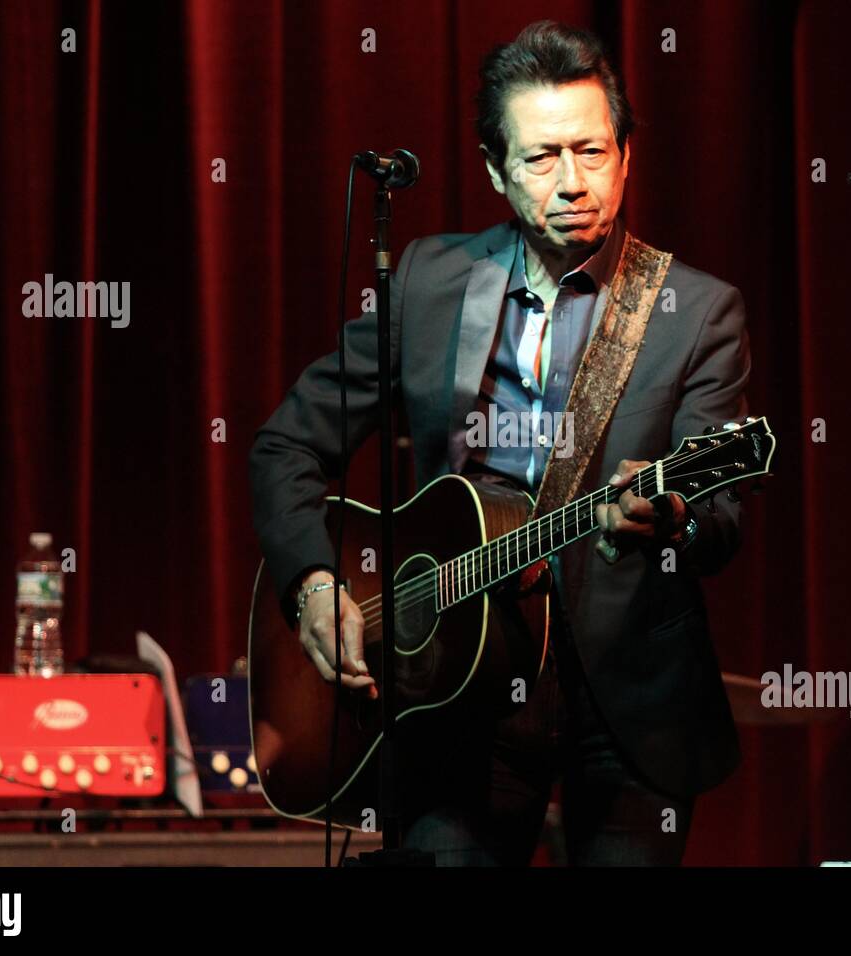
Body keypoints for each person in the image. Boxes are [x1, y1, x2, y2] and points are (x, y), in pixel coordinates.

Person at [250, 20, 752, 865]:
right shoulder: (427, 281)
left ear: (626, 156)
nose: (572, 183)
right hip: (449, 685)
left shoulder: (697, 313)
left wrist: (674, 517)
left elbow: (722, 518)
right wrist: (311, 586)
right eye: (541, 157)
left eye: (591, 152)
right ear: (495, 171)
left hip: (623, 699)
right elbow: (286, 446)